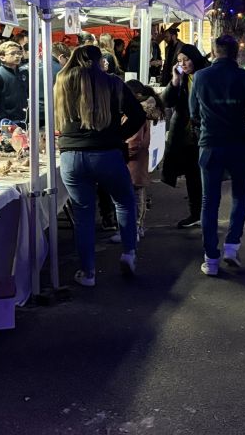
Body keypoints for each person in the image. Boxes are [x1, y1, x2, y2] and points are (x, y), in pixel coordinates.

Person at [55, 45, 145, 285]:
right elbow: (138, 115)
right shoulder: (113, 83)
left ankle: (88, 273)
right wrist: (118, 135)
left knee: (83, 214)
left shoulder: (62, 81)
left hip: (71, 154)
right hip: (107, 152)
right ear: (100, 61)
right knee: (124, 202)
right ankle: (128, 252)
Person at [189, 34, 245, 276]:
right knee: (239, 196)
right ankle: (232, 246)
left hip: (211, 143)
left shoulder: (201, 77)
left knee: (209, 201)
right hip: (239, 144)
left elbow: (193, 112)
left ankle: (211, 257)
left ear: (214, 51)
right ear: (236, 53)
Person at [162, 43, 209, 229]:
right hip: (186, 134)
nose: (184, 64)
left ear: (195, 58)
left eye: (186, 59)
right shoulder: (181, 78)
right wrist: (175, 81)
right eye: (180, 61)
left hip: (205, 133)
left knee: (206, 175)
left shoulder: (205, 74)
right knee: (191, 175)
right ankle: (195, 213)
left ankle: (207, 213)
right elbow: (166, 102)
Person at [122, 80, 162, 243]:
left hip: (133, 162)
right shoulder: (142, 113)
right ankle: (137, 227)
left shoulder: (137, 114)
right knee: (137, 196)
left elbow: (135, 142)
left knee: (133, 197)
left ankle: (134, 229)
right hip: (137, 162)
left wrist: (121, 152)